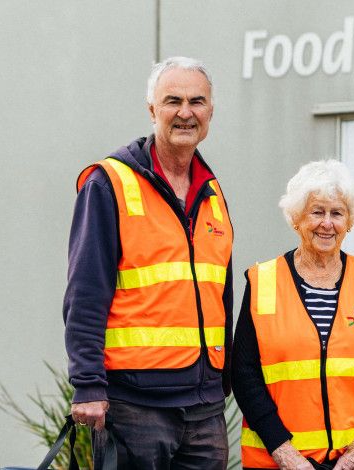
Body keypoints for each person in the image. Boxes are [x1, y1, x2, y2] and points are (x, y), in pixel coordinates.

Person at [63, 57, 233, 469]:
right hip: (135, 403)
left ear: (211, 111)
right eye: (172, 100)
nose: (185, 112)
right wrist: (87, 384)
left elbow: (220, 293)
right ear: (152, 109)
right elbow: (85, 294)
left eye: (197, 101)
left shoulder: (211, 191)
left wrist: (221, 382)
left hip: (205, 404)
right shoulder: (109, 183)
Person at [232, 160, 354, 470]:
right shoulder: (264, 281)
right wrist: (285, 455)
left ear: (349, 221)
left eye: (337, 213)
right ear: (296, 218)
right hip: (280, 463)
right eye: (317, 212)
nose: (327, 223)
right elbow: (244, 375)